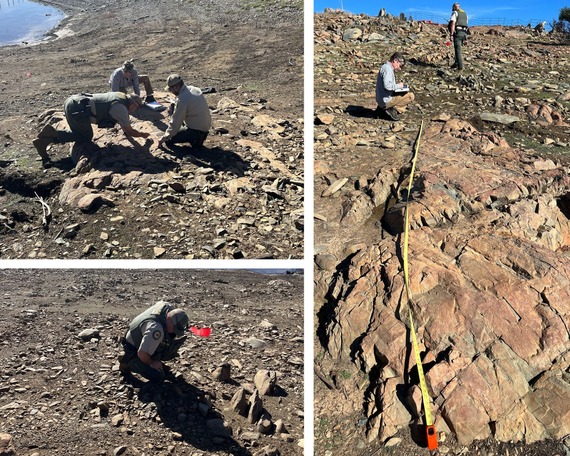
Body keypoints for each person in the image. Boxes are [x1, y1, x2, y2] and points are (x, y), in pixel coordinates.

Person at [33, 92, 150, 166]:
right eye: (136, 108)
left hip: (74, 101)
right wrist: (143, 136)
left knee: (80, 133)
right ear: (133, 104)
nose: (135, 111)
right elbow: (129, 131)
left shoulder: (120, 96)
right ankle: (50, 137)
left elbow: (124, 128)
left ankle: (49, 135)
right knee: (85, 136)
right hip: (78, 109)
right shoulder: (121, 108)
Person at [119, 301, 190, 383]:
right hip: (133, 346)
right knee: (157, 376)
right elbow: (142, 353)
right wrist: (152, 362)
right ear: (168, 318)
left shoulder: (168, 307)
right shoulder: (156, 329)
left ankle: (150, 355)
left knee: (167, 340)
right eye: (174, 328)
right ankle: (127, 361)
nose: (174, 331)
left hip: (140, 334)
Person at [158, 74, 212, 149]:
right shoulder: (194, 89)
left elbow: (175, 123)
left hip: (195, 131)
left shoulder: (183, 99)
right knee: (175, 108)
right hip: (204, 127)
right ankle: (197, 138)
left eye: (171, 89)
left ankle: (195, 140)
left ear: (176, 87)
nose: (171, 92)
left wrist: (164, 137)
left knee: (169, 139)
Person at [375, 52, 415, 121]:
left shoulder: (386, 67)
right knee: (410, 96)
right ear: (395, 61)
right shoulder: (388, 69)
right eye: (400, 65)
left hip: (382, 98)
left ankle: (383, 109)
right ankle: (390, 109)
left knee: (402, 93)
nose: (400, 68)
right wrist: (399, 86)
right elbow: (388, 86)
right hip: (386, 100)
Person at [448, 2, 469, 70]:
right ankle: (456, 63)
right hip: (464, 33)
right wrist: (466, 37)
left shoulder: (455, 13)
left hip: (458, 33)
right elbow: (466, 25)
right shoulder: (465, 14)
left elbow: (453, 23)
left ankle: (460, 67)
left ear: (454, 7)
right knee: (459, 49)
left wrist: (451, 34)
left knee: (458, 50)